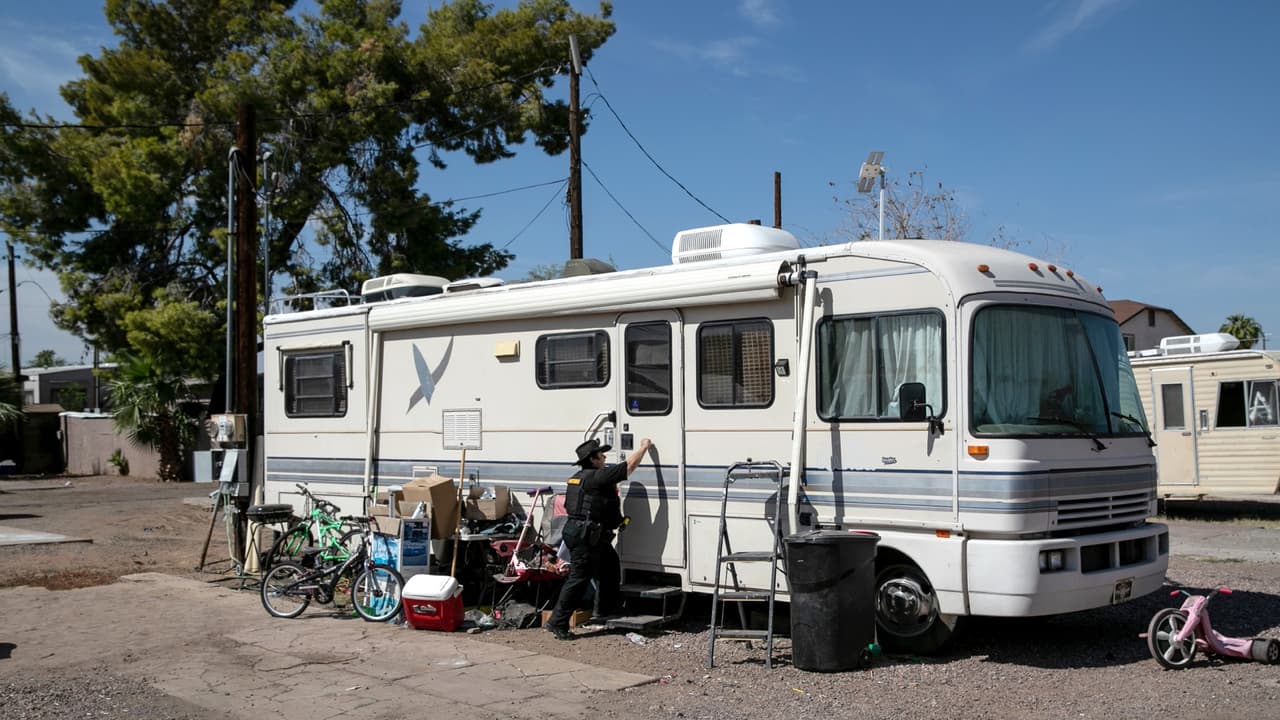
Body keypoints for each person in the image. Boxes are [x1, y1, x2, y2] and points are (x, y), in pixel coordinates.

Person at [544, 436, 653, 640]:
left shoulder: (578, 477)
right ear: (593, 459)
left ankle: (604, 610)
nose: (604, 457)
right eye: (601, 454)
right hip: (586, 536)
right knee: (578, 578)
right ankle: (557, 622)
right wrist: (644, 448)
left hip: (586, 534)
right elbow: (629, 466)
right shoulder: (597, 476)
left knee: (610, 567)